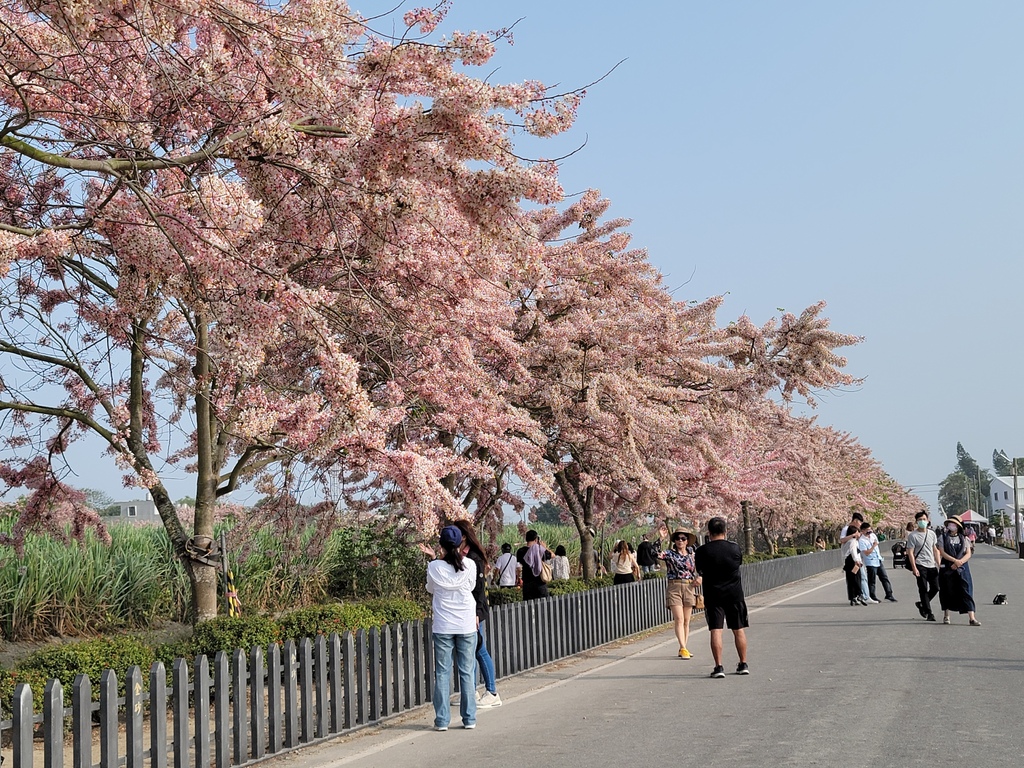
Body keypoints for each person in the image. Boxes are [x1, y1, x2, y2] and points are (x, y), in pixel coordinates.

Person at [426, 525, 478, 731]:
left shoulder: (434, 567)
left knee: (442, 672)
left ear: (441, 545)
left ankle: (441, 720)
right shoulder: (471, 565)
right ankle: (469, 718)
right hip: (465, 623)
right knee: (467, 672)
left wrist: (433, 561)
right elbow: (472, 586)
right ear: (460, 543)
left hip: (443, 625)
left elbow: (430, 588)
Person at [453, 520, 502, 708]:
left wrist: (477, 613)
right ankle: (470, 691)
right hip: (466, 611)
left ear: (464, 537)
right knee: (469, 651)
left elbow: (479, 589)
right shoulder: (462, 556)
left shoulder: (473, 557)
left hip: (474, 611)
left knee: (479, 649)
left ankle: (492, 692)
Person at [694, 517, 749, 678]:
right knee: (738, 629)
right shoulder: (735, 549)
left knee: (716, 630)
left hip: (713, 595)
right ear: (725, 531)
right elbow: (738, 564)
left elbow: (700, 570)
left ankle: (718, 667)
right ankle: (743, 663)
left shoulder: (702, 551)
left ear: (709, 533)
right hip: (735, 594)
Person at [658, 529, 700, 659]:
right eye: (677, 539)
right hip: (674, 586)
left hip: (689, 586)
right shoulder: (670, 554)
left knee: (687, 620)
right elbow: (653, 553)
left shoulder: (692, 554)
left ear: (687, 541)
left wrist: (700, 577)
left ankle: (684, 647)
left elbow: (701, 566)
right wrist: (660, 539)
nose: (680, 541)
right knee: (679, 619)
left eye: (683, 539)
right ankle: (682, 647)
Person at [937, 515, 981, 626]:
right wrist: (954, 561)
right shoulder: (942, 537)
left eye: (954, 524)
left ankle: (972, 617)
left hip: (962, 568)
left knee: (966, 590)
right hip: (947, 566)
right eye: (950, 523)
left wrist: (959, 562)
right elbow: (942, 552)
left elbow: (968, 553)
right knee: (946, 590)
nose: (951, 526)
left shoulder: (964, 538)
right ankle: (946, 615)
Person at [906, 510, 940, 622]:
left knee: (936, 587)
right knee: (923, 589)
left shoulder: (932, 534)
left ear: (928, 520)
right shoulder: (913, 536)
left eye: (924, 519)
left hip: (931, 564)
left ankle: (922, 604)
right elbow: (910, 552)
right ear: (916, 522)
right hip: (920, 565)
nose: (922, 521)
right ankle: (929, 612)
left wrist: (938, 563)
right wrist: (914, 568)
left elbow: (935, 550)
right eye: (920, 520)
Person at [859, 521, 896, 602]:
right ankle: (872, 596)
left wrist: (875, 545)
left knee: (884, 577)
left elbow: (877, 543)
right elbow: (866, 553)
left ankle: (889, 594)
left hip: (878, 559)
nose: (869, 531)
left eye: (870, 529)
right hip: (870, 562)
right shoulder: (861, 541)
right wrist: (873, 546)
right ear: (862, 531)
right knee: (872, 580)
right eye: (867, 530)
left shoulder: (873, 536)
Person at [517, 529, 551, 601]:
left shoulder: (520, 551)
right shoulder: (540, 549)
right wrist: (544, 547)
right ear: (536, 539)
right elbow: (552, 555)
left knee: (528, 607)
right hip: (540, 582)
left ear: (526, 539)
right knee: (543, 606)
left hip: (527, 582)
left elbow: (519, 565)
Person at [842, 524, 867, 606]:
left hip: (847, 561)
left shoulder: (846, 543)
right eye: (858, 532)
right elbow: (854, 552)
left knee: (850, 580)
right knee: (857, 578)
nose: (859, 534)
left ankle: (853, 597)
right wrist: (857, 561)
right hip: (852, 561)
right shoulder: (853, 541)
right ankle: (859, 595)